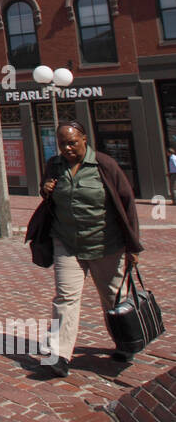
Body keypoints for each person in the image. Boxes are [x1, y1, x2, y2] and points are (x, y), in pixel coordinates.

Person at [33, 122, 141, 379]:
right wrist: (45, 189)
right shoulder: (55, 165)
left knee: (114, 297)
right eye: (62, 144)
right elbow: (50, 196)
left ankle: (125, 343)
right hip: (67, 243)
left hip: (106, 244)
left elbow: (127, 203)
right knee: (65, 298)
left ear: (84, 139)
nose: (67, 148)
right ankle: (59, 355)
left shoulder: (104, 165)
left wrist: (132, 245)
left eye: (72, 142)